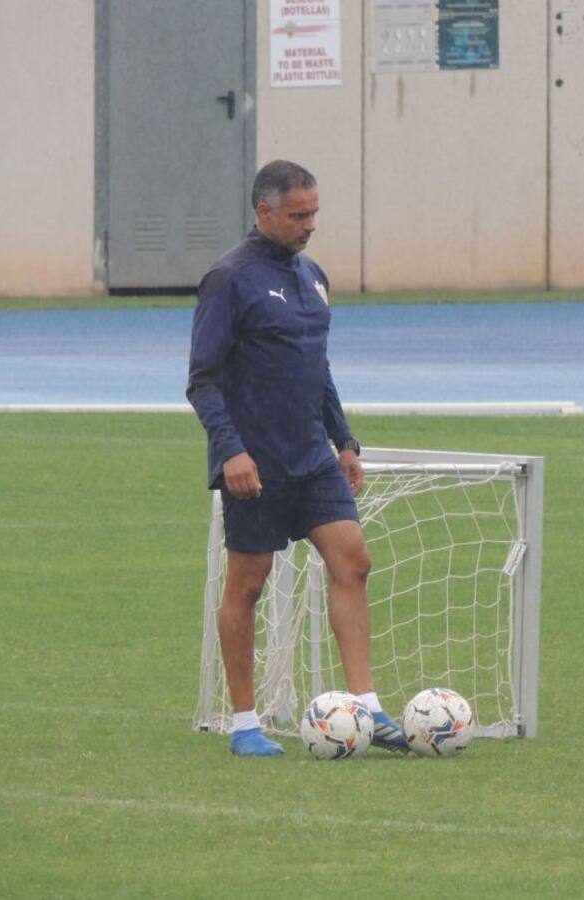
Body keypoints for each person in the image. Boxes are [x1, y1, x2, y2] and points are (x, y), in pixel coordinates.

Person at [187, 160, 408, 757]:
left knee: (353, 561)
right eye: (298, 215)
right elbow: (202, 381)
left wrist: (345, 441)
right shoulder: (228, 280)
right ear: (265, 211)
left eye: (314, 213)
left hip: (312, 458)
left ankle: (367, 708)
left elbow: (318, 367)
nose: (310, 224)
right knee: (248, 585)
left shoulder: (314, 276)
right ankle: (244, 724)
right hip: (255, 466)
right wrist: (231, 451)